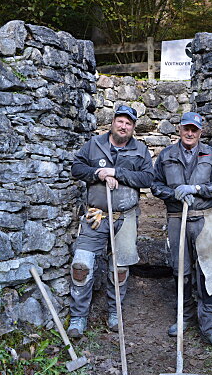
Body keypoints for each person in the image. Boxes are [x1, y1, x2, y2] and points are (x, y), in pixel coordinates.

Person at [68, 105, 154, 338]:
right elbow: (77, 167)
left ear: (133, 127)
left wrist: (117, 173)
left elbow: (148, 178)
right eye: (120, 121)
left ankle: (114, 312)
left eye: (129, 123)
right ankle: (78, 317)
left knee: (120, 269)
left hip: (125, 218)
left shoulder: (140, 149)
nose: (124, 126)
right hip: (95, 216)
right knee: (81, 266)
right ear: (113, 122)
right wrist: (98, 174)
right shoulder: (94, 145)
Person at [151, 112, 212, 350]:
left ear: (200, 132)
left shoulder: (211, 154)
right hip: (177, 218)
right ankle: (183, 317)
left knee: (209, 272)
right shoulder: (167, 155)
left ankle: (210, 326)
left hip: (204, 219)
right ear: (179, 129)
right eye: (186, 128)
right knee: (181, 271)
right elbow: (156, 186)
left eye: (194, 130)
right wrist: (173, 192)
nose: (190, 133)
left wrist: (196, 188)